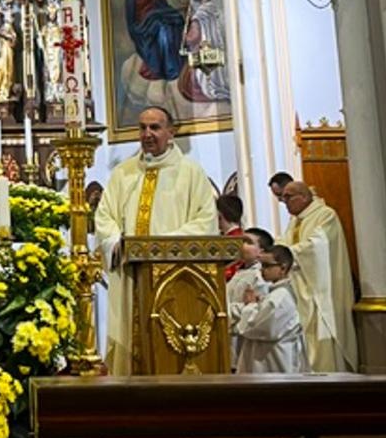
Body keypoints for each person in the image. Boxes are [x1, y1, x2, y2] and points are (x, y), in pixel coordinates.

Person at [95, 106, 217, 375]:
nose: (147, 134)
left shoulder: (191, 173)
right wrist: (116, 242)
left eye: (155, 127)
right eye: (142, 128)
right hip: (129, 274)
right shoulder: (123, 173)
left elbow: (205, 221)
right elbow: (104, 216)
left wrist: (159, 246)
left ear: (171, 132)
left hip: (173, 276)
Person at [281, 181, 358, 372]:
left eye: (288, 197)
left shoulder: (325, 215)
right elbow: (284, 243)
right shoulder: (295, 221)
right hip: (301, 286)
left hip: (322, 288)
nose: (284, 202)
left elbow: (318, 246)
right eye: (283, 198)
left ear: (304, 196)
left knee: (322, 334)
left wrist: (286, 255)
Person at [235, 244, 309, 374]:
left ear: (283, 268)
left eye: (267, 266)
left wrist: (250, 306)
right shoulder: (276, 293)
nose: (262, 270)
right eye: (261, 265)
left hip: (273, 365)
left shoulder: (280, 297)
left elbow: (257, 328)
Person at [178, 0, 231, 103]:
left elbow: (193, 38)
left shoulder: (200, 14)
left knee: (188, 84)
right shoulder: (213, 9)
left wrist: (185, 36)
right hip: (215, 48)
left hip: (204, 52)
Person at [226, 227, 272, 365]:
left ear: (261, 252)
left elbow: (258, 309)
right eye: (241, 241)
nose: (241, 245)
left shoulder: (260, 276)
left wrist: (227, 310)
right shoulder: (239, 271)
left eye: (248, 242)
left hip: (243, 338)